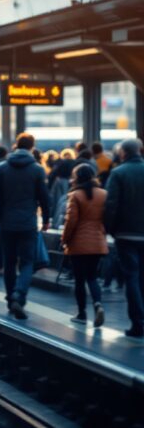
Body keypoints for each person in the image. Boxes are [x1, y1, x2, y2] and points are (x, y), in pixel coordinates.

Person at [0, 133, 50, 320]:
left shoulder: (2, 168)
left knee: (9, 261)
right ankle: (19, 296)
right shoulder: (38, 170)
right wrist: (46, 219)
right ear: (32, 147)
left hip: (6, 223)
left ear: (16, 145)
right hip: (28, 223)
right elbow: (44, 198)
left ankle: (10, 299)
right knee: (28, 262)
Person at [104, 138, 144, 337]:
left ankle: (138, 323)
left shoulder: (118, 173)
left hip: (126, 235)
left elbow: (111, 204)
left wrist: (110, 229)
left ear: (122, 153)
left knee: (132, 278)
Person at [62, 164, 107, 327]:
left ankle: (81, 314)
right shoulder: (104, 194)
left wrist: (65, 239)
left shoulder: (75, 195)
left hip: (78, 244)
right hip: (97, 242)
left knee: (79, 280)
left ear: (77, 177)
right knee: (92, 277)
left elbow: (71, 221)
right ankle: (98, 304)